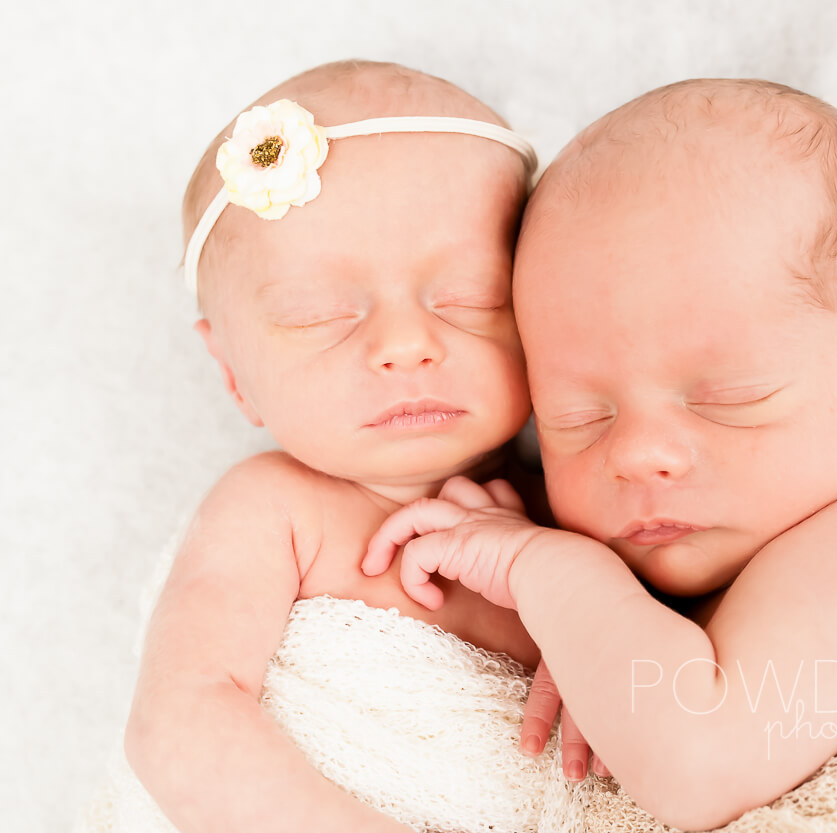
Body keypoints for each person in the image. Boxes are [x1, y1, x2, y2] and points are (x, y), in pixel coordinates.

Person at [363, 78, 837, 831]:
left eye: (727, 399)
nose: (638, 455)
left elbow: (697, 764)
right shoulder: (644, 600)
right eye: (578, 418)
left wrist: (545, 572)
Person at [119, 59, 547, 833]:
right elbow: (178, 726)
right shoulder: (273, 509)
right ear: (232, 374)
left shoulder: (571, 507)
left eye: (471, 297)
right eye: (320, 315)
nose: (407, 343)